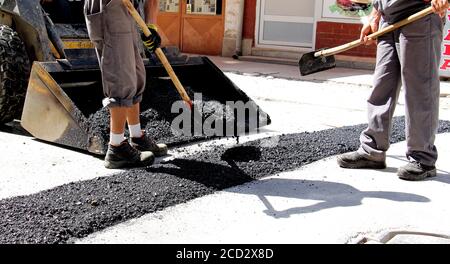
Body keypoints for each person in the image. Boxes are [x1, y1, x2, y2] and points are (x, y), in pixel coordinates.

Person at [337, 0, 449, 181]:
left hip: (420, 13)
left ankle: (423, 157)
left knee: (419, 89)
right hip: (388, 18)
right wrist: (375, 15)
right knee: (382, 85)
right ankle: (372, 150)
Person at [84, 0, 168, 169]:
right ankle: (116, 147)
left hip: (127, 7)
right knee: (120, 75)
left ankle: (136, 137)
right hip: (110, 6)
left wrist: (150, 27)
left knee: (135, 74)